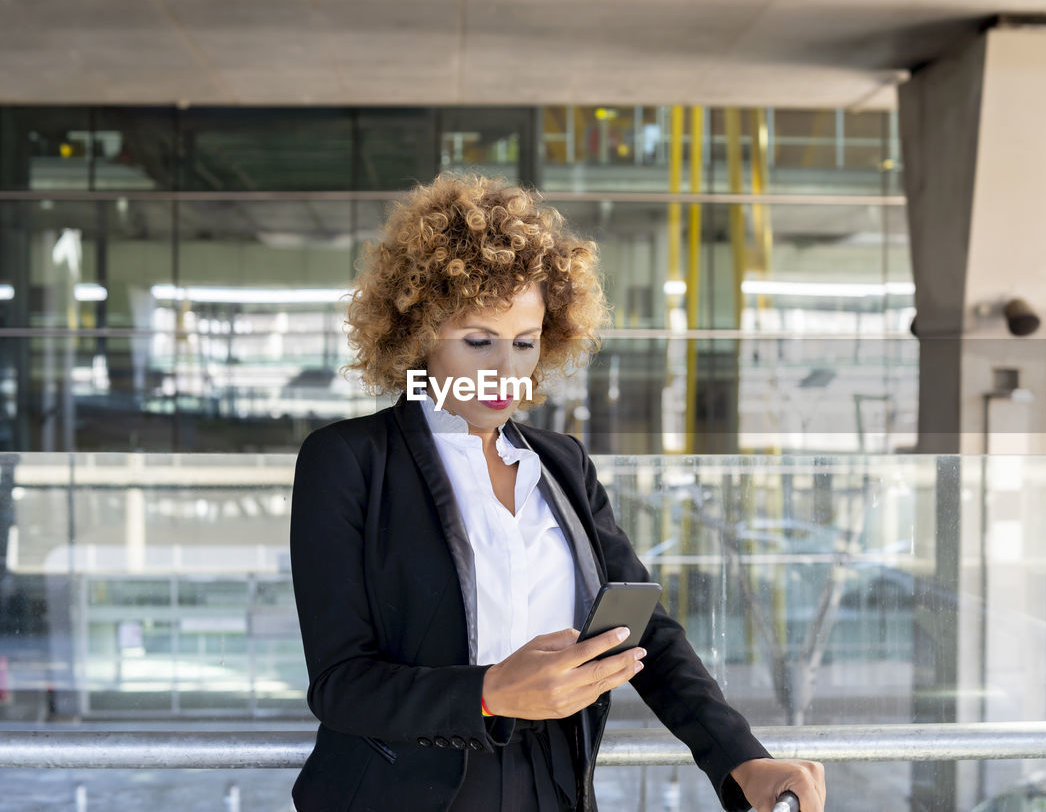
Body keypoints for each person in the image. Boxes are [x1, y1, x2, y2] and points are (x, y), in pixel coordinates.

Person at [288, 172, 827, 812]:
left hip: (556, 784)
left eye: (524, 343)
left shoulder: (560, 462)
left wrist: (742, 758)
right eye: (477, 341)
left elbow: (641, 631)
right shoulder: (348, 460)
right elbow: (341, 684)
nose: (504, 371)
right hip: (406, 792)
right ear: (417, 333)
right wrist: (490, 692)